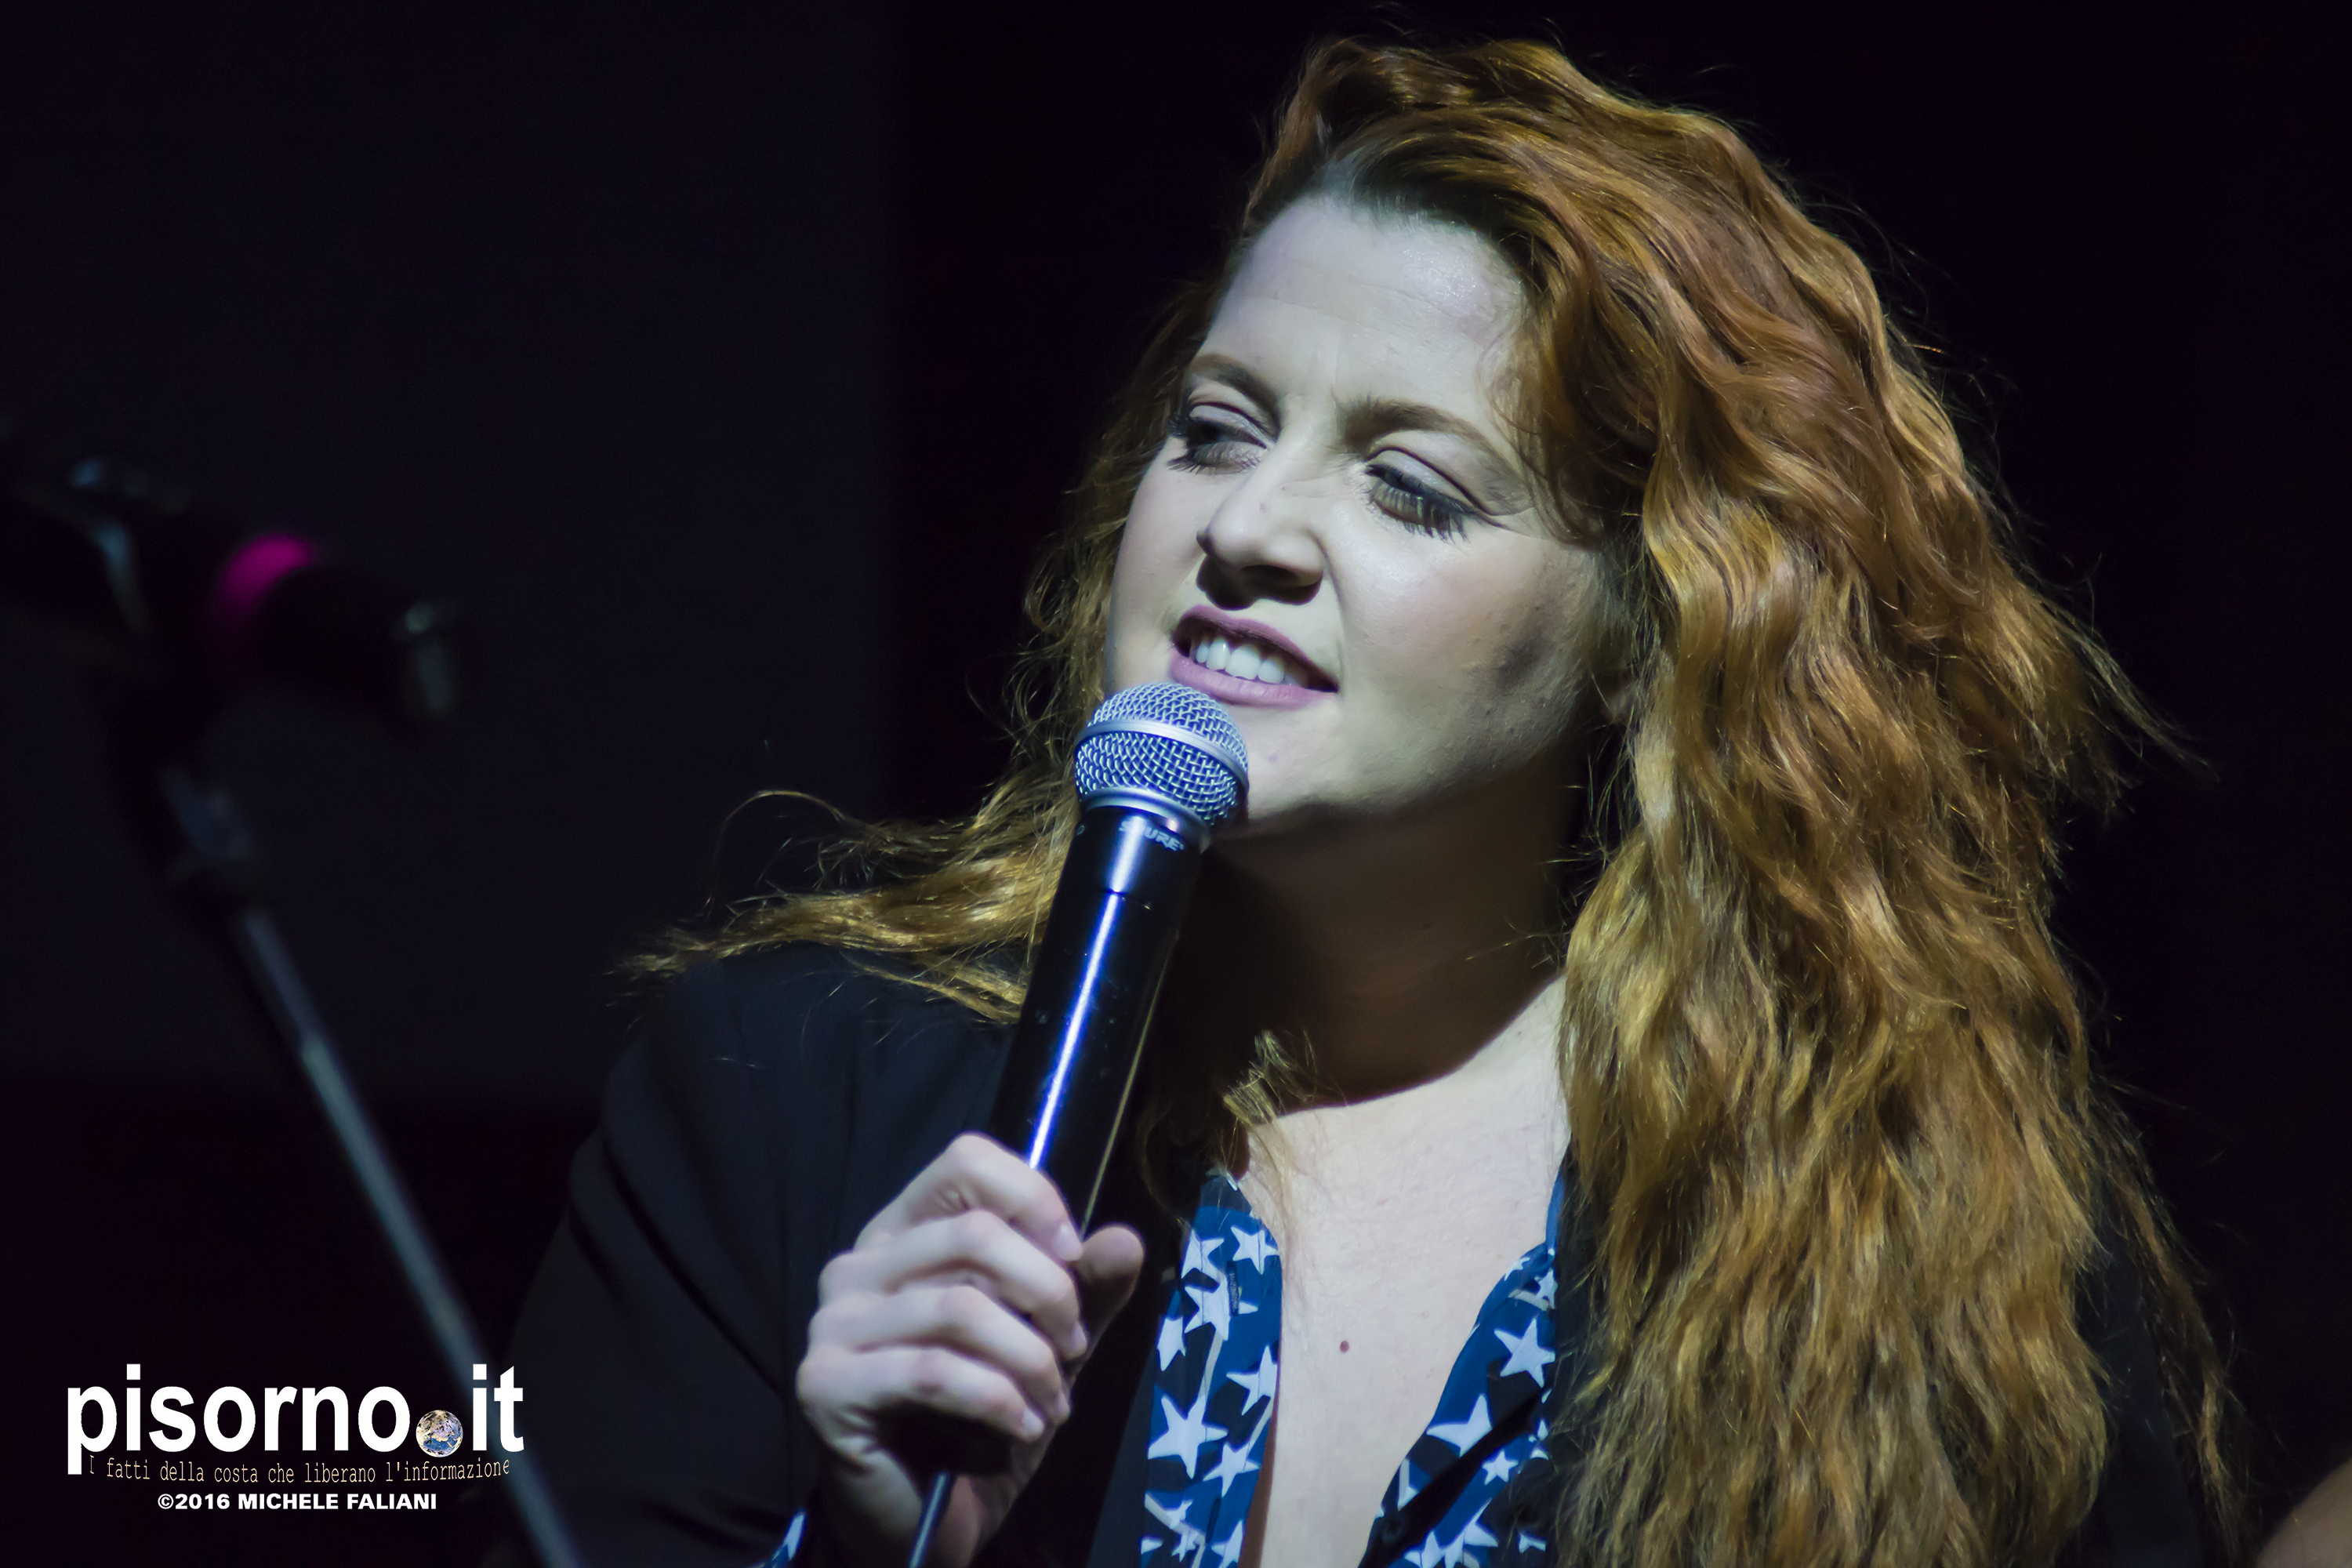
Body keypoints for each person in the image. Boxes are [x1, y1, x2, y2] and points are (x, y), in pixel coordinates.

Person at [507, 36, 2239, 1568]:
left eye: (1410, 488)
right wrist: (852, 1548)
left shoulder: (1913, 1215)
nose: (1247, 530)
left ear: (1652, 631)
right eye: (1216, 429)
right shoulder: (785, 1098)